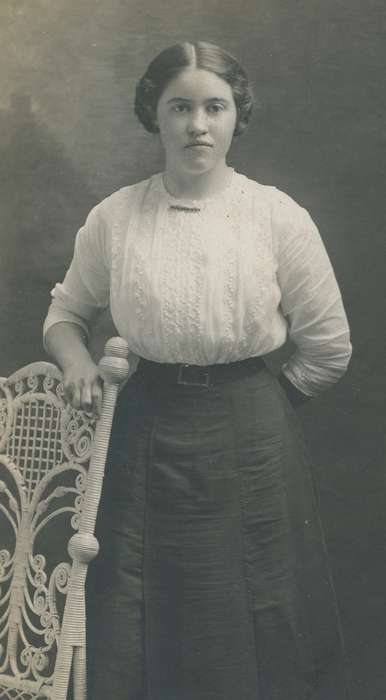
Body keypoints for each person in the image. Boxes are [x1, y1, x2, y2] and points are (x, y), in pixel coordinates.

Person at [43, 41, 352, 700]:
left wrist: (260, 405)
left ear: (237, 115)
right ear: (154, 115)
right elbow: (65, 315)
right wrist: (74, 360)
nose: (198, 125)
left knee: (255, 612)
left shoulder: (276, 217)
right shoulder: (116, 218)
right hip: (143, 432)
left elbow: (328, 346)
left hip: (253, 435)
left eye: (215, 107)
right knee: (138, 608)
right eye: (179, 107)